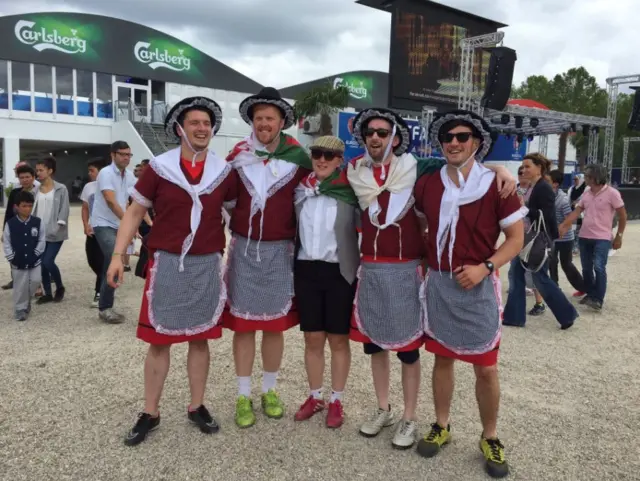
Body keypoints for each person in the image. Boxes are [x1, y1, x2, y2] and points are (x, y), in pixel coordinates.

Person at [346, 107, 514, 450]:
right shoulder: (354, 173)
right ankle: (387, 410)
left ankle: (419, 419)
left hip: (409, 271)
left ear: (394, 137)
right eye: (370, 133)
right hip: (374, 271)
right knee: (377, 345)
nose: (376, 137)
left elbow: (463, 167)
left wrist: (499, 167)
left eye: (383, 132)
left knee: (413, 350)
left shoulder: (416, 169)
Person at [106, 96, 236, 446]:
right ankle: (151, 411)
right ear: (180, 128)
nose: (202, 128)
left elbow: (238, 213)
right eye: (195, 123)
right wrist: (119, 254)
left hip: (207, 264)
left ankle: (196, 406)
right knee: (158, 341)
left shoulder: (222, 172)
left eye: (207, 124)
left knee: (200, 339)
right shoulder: (160, 168)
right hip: (166, 264)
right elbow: (134, 213)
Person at [414, 109, 526, 479]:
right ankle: (442, 424)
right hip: (440, 283)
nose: (454, 142)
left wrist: (486, 267)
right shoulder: (429, 182)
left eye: (463, 137)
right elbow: (419, 220)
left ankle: (490, 435)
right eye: (448, 137)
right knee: (442, 360)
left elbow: (516, 239)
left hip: (478, 282)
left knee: (486, 368)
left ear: (476, 143)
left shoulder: (496, 185)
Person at [224, 87, 312, 428]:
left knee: (274, 328)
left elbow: (327, 185)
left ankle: (269, 390)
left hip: (279, 251)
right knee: (244, 328)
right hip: (245, 248)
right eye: (258, 117)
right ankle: (243, 395)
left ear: (281, 122)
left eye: (270, 118)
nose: (264, 123)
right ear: (252, 121)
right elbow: (220, 195)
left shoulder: (298, 157)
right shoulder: (237, 155)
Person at [292, 136, 359, 429]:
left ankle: (337, 400)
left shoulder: (351, 190)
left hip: (339, 272)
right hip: (306, 270)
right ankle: (315, 395)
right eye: (317, 153)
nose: (322, 159)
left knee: (339, 340)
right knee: (312, 339)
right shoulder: (300, 190)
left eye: (329, 155)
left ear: (339, 160)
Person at [503, 153, 578, 329]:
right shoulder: (535, 186)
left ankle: (567, 314)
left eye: (528, 166)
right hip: (529, 238)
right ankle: (514, 317)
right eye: (523, 166)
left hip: (538, 239)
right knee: (518, 275)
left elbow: (545, 214)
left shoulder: (543, 188)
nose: (523, 169)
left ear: (539, 168)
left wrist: (523, 208)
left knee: (540, 278)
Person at [558, 164, 627, 311]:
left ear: (595, 177)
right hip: (584, 236)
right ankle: (590, 294)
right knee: (587, 269)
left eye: (587, 175)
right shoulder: (587, 193)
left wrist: (619, 236)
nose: (585, 178)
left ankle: (598, 299)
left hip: (602, 237)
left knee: (599, 267)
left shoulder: (612, 193)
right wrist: (564, 225)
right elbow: (577, 211)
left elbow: (623, 215)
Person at [91, 141, 137, 324]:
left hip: (119, 224)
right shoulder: (106, 173)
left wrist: (149, 223)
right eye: (122, 154)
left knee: (108, 264)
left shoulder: (130, 176)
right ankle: (105, 308)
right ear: (113, 155)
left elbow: (136, 201)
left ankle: (103, 302)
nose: (126, 157)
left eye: (128, 154)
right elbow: (110, 201)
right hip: (103, 223)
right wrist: (128, 222)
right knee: (113, 257)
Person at [3, 191, 45, 321]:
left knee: (36, 280)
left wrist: (36, 254)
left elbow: (42, 239)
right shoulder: (10, 224)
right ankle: (20, 309)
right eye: (24, 206)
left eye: (30, 206)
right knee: (20, 285)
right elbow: (7, 242)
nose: (27, 209)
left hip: (34, 260)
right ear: (16, 206)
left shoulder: (38, 222)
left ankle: (26, 301)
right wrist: (11, 257)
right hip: (18, 261)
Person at [33, 157, 69, 304]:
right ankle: (47, 293)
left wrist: (58, 226)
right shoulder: (36, 189)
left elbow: (64, 209)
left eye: (41, 170)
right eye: (37, 170)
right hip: (39, 233)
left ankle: (59, 287)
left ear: (50, 171)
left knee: (48, 261)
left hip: (55, 232)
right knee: (41, 263)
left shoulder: (61, 188)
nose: (38, 173)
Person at [547, 170, 585, 295]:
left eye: (547, 181)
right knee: (551, 263)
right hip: (551, 237)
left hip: (565, 238)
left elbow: (570, 218)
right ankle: (554, 288)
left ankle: (583, 288)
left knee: (566, 264)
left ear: (555, 184)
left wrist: (562, 228)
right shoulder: (545, 196)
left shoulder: (562, 200)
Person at [2, 164, 39, 291]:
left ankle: (36, 284)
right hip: (17, 228)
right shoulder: (14, 193)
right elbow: (9, 213)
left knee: (34, 254)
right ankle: (16, 280)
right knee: (15, 254)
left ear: (33, 177)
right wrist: (4, 231)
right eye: (21, 177)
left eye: (27, 177)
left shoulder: (39, 192)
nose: (25, 180)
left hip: (33, 228)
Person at [80, 157, 107, 308]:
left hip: (108, 230)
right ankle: (106, 281)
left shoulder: (112, 185)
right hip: (92, 230)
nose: (89, 173)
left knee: (103, 262)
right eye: (89, 170)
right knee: (93, 261)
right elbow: (84, 208)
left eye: (92, 170)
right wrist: (85, 225)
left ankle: (100, 292)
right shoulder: (88, 187)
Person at [567, 173, 586, 255]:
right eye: (574, 179)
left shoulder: (586, 190)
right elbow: (568, 200)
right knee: (573, 230)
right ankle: (574, 247)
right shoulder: (571, 189)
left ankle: (578, 247)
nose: (574, 181)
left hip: (582, 214)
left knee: (580, 231)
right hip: (573, 213)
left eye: (576, 179)